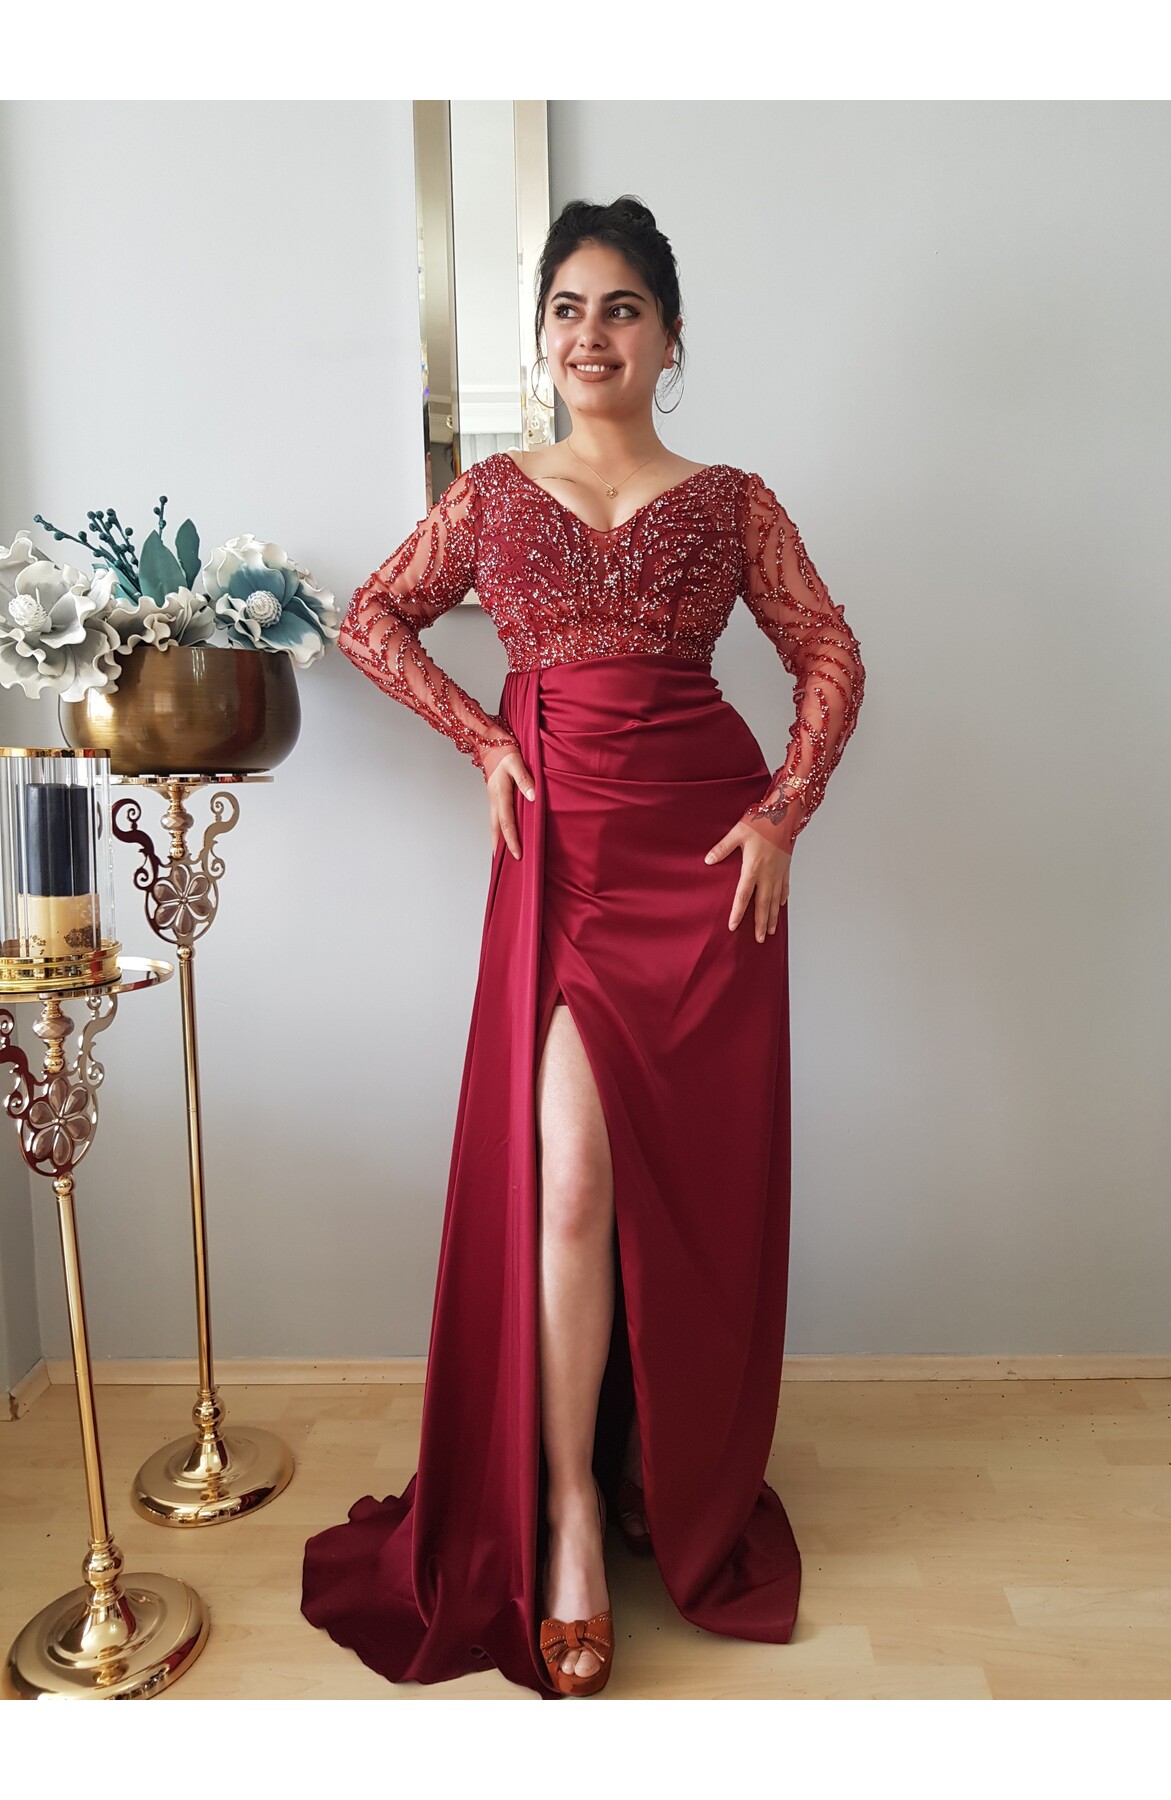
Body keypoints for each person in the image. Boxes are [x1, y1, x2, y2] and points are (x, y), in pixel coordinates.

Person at [301, 195, 866, 1699]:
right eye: (568, 308)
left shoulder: (729, 498)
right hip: (562, 867)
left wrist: (783, 812)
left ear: (670, 339)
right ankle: (563, 1514)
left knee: (686, 1195)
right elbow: (371, 618)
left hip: (704, 869)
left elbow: (827, 649)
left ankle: (651, 1474)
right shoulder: (494, 496)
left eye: (624, 309)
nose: (592, 334)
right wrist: (484, 738)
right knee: (565, 1189)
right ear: (540, 338)